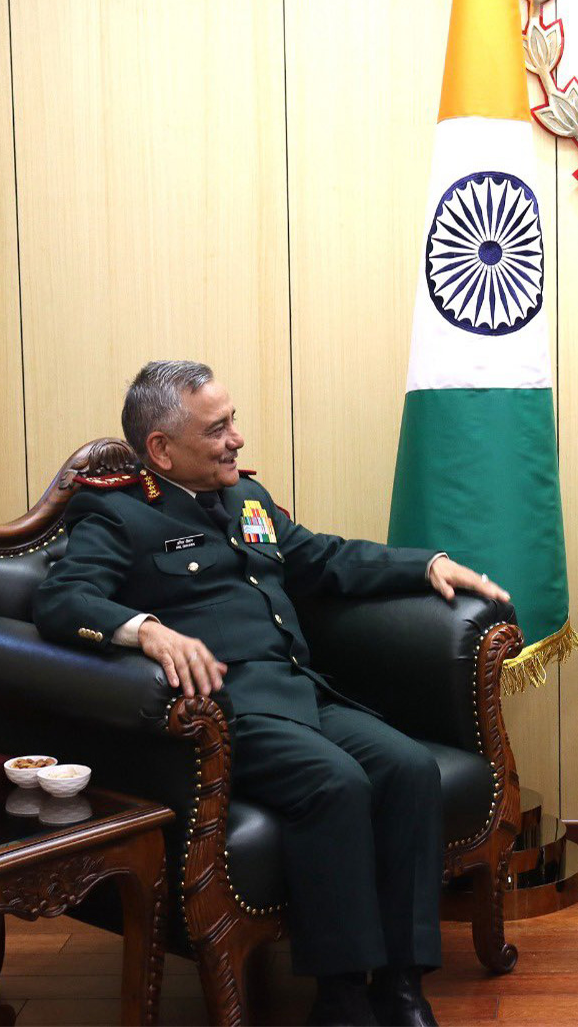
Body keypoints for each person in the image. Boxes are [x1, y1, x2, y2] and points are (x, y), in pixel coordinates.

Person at [34, 361, 509, 1027]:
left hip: (300, 693)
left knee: (407, 769)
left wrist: (426, 563)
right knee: (335, 783)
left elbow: (324, 558)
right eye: (217, 428)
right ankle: (340, 997)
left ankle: (401, 985)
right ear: (162, 448)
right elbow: (60, 600)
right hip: (226, 711)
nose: (236, 439)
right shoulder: (115, 514)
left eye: (233, 421)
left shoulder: (246, 502)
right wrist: (142, 630)